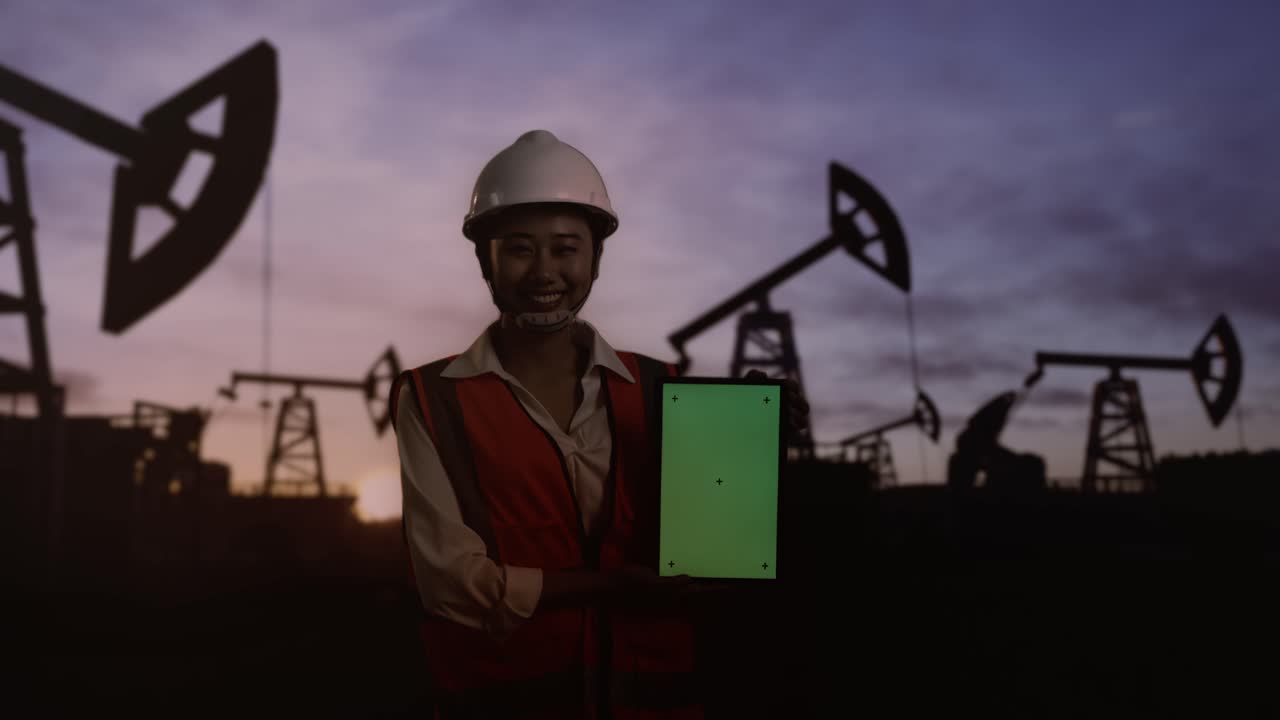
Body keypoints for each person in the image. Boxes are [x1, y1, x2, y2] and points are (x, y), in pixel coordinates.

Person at [390, 130, 808, 719]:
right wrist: (613, 587)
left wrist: (752, 442)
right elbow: (450, 584)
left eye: (566, 248)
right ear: (484, 259)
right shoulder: (431, 398)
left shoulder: (662, 386)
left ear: (595, 259)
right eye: (518, 248)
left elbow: (711, 537)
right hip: (506, 699)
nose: (544, 272)